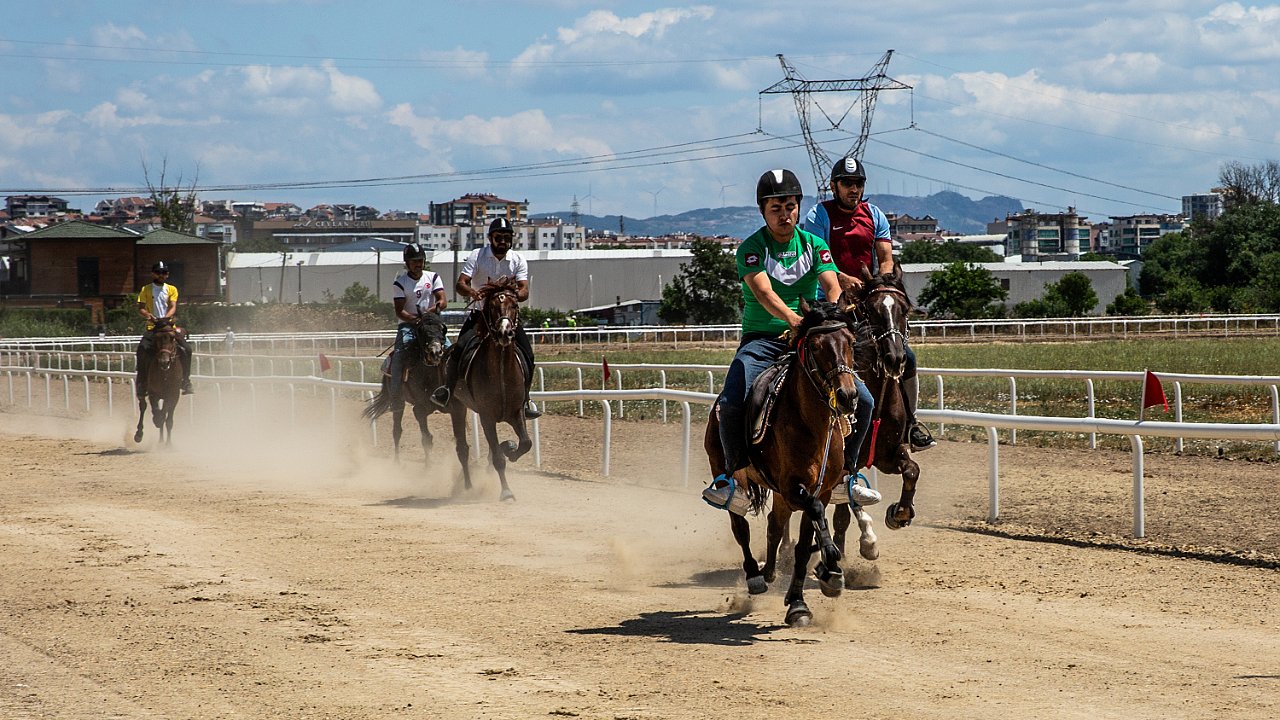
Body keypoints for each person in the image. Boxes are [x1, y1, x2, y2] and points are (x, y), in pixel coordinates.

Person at [702, 168, 881, 514]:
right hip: (762, 341)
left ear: (798, 207)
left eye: (790, 207)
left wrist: (831, 315)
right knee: (732, 399)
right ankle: (732, 478)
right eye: (776, 208)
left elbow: (831, 283)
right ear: (763, 212)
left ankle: (847, 475)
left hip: (808, 340)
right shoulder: (751, 249)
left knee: (865, 400)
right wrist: (793, 319)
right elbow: (763, 292)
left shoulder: (815, 245)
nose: (784, 214)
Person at [802, 155, 937, 454]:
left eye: (858, 183)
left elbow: (886, 257)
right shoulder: (818, 215)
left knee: (906, 356)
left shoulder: (874, 215)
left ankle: (911, 423)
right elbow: (816, 259)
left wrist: (880, 282)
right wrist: (841, 279)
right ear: (834, 186)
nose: (854, 189)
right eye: (847, 183)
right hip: (830, 305)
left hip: (866, 305)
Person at [430, 218, 541, 419]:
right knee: (458, 350)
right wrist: (472, 293)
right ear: (490, 238)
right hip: (480, 315)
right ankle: (447, 390)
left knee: (528, 355)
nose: (503, 241)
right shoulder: (477, 255)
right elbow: (461, 283)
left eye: (507, 237)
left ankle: (525, 399)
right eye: (499, 237)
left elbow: (524, 289)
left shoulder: (518, 259)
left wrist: (513, 296)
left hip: (506, 317)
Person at [388, 242, 447, 403]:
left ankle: (451, 389)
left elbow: (442, 300)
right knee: (399, 355)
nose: (418, 264)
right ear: (407, 263)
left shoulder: (433, 277)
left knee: (449, 349)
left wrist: (430, 313)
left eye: (420, 260)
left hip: (431, 323)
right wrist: (417, 320)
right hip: (409, 324)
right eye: (414, 261)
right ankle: (395, 396)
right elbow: (400, 311)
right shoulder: (400, 283)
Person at [135, 261, 193, 396]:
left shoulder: (172, 289)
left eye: (164, 272)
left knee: (187, 349)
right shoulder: (145, 289)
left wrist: (165, 319)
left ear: (167, 274)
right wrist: (149, 316)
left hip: (168, 327)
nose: (161, 275)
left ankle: (186, 381)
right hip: (153, 327)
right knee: (142, 349)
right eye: (158, 272)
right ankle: (142, 382)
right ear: (153, 274)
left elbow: (173, 306)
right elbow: (141, 308)